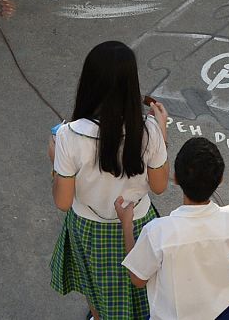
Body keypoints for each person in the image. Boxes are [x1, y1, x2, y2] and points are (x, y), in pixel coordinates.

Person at [51, 41, 173, 320]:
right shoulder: (149, 131)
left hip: (89, 229)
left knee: (95, 286)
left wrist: (54, 161)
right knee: (143, 288)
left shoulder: (69, 135)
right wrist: (162, 136)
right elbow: (159, 186)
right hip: (139, 223)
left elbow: (62, 201)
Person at [121, 137, 229, 320]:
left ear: (176, 179)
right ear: (220, 179)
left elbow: (138, 279)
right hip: (221, 314)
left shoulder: (158, 232)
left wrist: (126, 226)